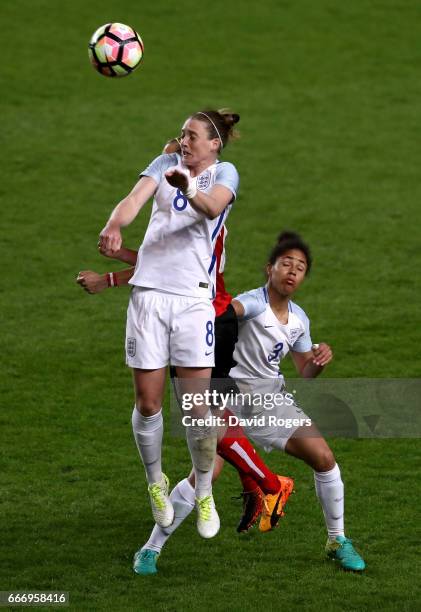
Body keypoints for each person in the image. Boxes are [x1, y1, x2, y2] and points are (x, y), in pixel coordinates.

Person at [131, 231, 366, 575]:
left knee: (325, 459)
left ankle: (337, 540)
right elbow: (225, 314)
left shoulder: (299, 319)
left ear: (302, 279)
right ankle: (151, 549)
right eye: (285, 263)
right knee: (203, 476)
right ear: (269, 268)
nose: (292, 271)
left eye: (299, 268)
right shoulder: (252, 302)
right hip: (230, 401)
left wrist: (319, 360)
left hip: (270, 402)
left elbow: (305, 371)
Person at [97, 109, 240, 540]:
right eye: (181, 134)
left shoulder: (224, 173)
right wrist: (114, 225)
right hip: (149, 296)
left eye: (192, 135)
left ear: (214, 143)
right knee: (148, 404)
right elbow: (134, 200)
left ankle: (202, 491)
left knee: (197, 411)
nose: (184, 140)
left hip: (195, 301)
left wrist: (187, 189)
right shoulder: (164, 164)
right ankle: (156, 482)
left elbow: (211, 208)